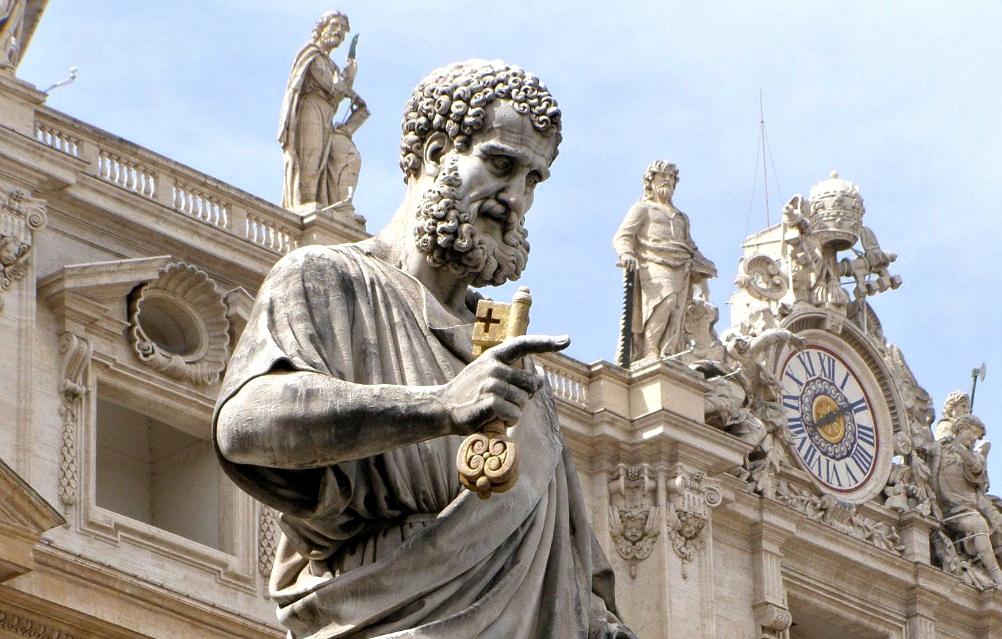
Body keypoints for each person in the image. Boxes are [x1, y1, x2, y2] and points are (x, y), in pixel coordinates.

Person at [216, 59, 636, 639]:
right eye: (500, 164)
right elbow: (244, 424)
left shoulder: (516, 364)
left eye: (533, 180)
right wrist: (438, 407)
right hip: (386, 618)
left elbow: (575, 581)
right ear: (438, 151)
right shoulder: (328, 279)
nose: (514, 198)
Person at [613, 161, 715, 361]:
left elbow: (690, 246)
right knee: (665, 301)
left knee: (676, 310)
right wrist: (626, 254)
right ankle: (649, 349)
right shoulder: (643, 209)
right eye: (662, 176)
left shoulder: (681, 217)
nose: (667, 180)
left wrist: (707, 266)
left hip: (681, 266)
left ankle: (666, 351)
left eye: (671, 177)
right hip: (653, 261)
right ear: (651, 182)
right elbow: (623, 236)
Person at [278, 11, 366, 211]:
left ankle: (322, 204)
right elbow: (329, 86)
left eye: (343, 30)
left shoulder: (331, 65)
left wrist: (349, 76)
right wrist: (347, 84)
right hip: (311, 109)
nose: (339, 32)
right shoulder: (310, 54)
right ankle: (306, 203)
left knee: (324, 161)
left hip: (326, 113)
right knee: (311, 155)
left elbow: (335, 94)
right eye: (335, 26)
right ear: (321, 27)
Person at [931, 414, 1002, 587]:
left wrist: (962, 450)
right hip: (943, 509)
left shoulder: (971, 456)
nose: (974, 438)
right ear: (962, 428)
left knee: (979, 524)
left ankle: (996, 574)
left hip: (963, 510)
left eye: (977, 436)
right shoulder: (939, 448)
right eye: (973, 433)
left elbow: (976, 466)